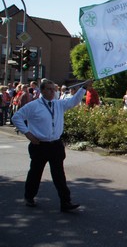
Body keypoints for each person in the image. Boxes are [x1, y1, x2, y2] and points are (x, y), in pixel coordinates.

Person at [11, 78, 91, 212]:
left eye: (53, 89)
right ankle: (29, 196)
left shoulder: (58, 104)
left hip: (55, 145)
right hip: (39, 145)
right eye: (49, 89)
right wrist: (27, 133)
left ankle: (66, 202)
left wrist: (83, 88)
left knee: (59, 175)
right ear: (42, 91)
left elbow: (73, 101)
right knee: (35, 173)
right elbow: (16, 117)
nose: (52, 92)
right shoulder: (33, 106)